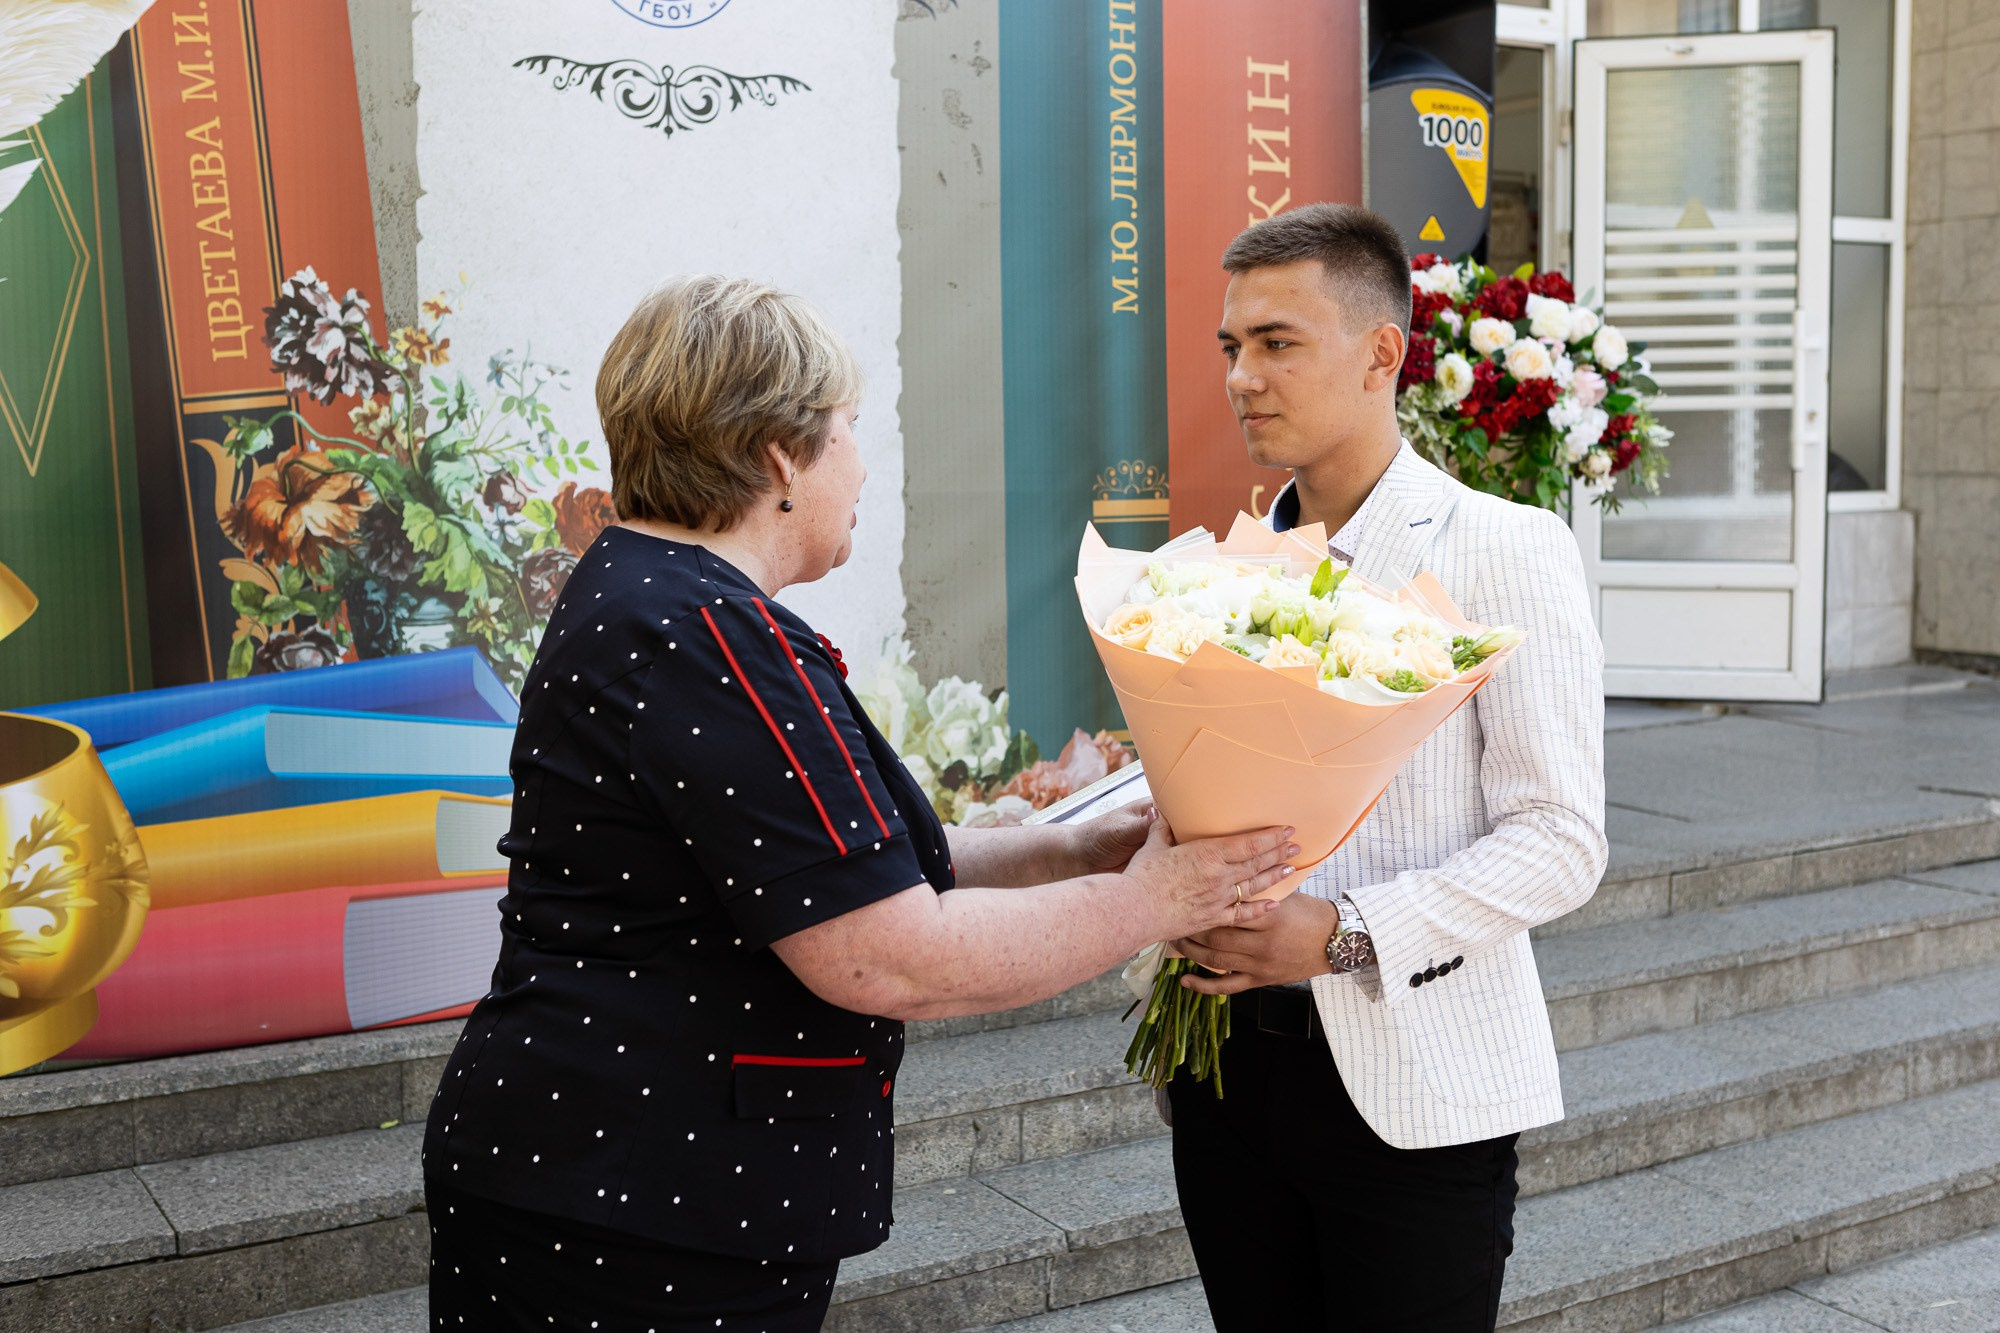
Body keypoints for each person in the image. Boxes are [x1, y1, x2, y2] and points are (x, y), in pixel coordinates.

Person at [421, 274, 1298, 1331]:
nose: (864, 463)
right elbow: (890, 954)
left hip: (618, 1182)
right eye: (848, 428)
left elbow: (836, 866)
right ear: (779, 459)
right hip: (642, 1209)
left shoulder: (653, 595)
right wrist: (1157, 897)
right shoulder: (703, 634)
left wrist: (1070, 850)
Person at [1166, 204, 1608, 1330]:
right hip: (1225, 1074)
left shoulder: (1502, 547)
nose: (1241, 377)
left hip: (1419, 1083)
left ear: (1380, 354)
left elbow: (1560, 838)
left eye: (1277, 343)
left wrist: (1343, 932)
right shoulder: (1231, 565)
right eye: (1231, 346)